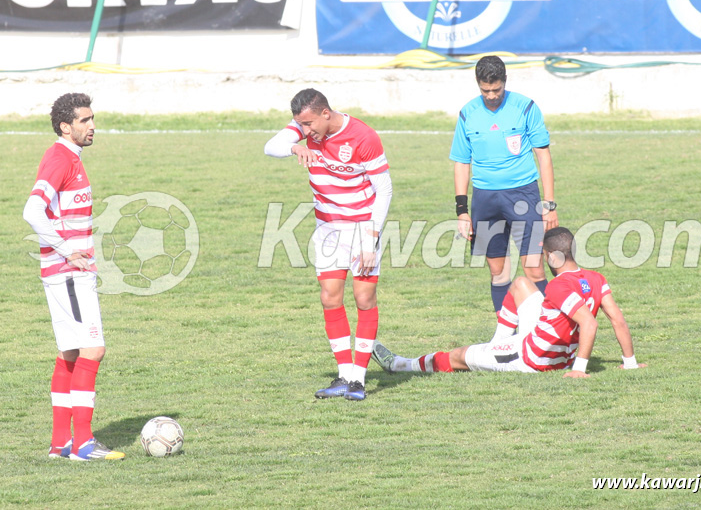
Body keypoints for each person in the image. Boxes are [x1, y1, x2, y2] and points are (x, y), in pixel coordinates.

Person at [372, 227, 645, 378]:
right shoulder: (595, 278)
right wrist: (630, 362)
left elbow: (589, 324)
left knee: (458, 356)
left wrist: (579, 370)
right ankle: (497, 342)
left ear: (552, 257)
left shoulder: (558, 285)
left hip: (533, 358)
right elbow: (617, 320)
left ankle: (399, 365)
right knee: (521, 283)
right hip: (551, 345)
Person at [264, 88, 393, 401]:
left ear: (325, 113)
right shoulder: (304, 129)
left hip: (362, 228)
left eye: (309, 124)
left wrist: (371, 238)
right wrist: (295, 147)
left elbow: (384, 189)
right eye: (300, 125)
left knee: (364, 298)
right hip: (328, 230)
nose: (305, 130)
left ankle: (359, 380)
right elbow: (271, 147)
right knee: (330, 297)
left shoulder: (363, 136)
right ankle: (343, 375)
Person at [23, 93, 124, 461]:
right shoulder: (61, 159)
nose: (92, 126)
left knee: (69, 352)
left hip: (64, 273)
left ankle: (60, 443)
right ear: (66, 127)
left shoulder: (68, 157)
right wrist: (67, 250)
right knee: (93, 349)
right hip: (69, 273)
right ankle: (83, 443)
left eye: (92, 118)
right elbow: (32, 211)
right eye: (84, 120)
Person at [451, 55, 558, 313]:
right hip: (485, 200)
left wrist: (549, 204)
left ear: (505, 81)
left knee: (534, 268)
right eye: (485, 90)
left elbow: (543, 156)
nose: (491, 95)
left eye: (496, 90)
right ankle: (506, 332)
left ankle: (549, 330)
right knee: (498, 272)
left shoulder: (525, 107)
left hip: (523, 196)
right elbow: (462, 162)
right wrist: (462, 211)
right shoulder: (467, 114)